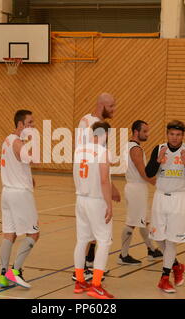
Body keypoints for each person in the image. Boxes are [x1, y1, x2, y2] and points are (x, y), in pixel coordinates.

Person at [145, 120, 185, 293]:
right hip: (160, 198)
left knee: (170, 241)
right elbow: (148, 173)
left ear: (182, 136)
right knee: (158, 237)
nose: (174, 138)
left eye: (178, 135)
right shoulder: (159, 148)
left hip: (179, 199)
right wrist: (157, 160)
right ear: (167, 134)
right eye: (171, 134)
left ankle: (164, 278)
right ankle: (176, 265)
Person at [72, 92, 120, 282]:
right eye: (112, 106)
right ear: (102, 105)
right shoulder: (87, 122)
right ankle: (85, 272)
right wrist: (109, 188)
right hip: (93, 191)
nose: (114, 109)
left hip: (85, 191)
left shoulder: (94, 129)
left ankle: (87, 267)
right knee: (101, 237)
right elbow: (96, 167)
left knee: (86, 236)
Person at [0, 110, 40, 289]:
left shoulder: (6, 140)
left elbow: (17, 164)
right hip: (20, 194)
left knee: (9, 234)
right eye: (29, 123)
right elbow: (34, 160)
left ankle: (2, 276)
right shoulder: (19, 144)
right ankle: (15, 272)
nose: (32, 126)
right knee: (34, 233)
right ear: (20, 125)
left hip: (7, 192)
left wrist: (28, 177)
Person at [73, 121, 115, 299]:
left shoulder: (79, 150)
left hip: (80, 199)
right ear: (105, 134)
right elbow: (104, 180)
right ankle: (96, 285)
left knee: (82, 240)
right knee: (104, 241)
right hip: (96, 201)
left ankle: (80, 280)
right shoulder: (103, 152)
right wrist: (109, 204)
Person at [118, 120, 163, 266]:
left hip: (137, 187)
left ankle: (151, 250)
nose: (147, 134)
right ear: (136, 132)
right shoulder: (135, 149)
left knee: (144, 220)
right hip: (136, 187)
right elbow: (143, 173)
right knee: (132, 222)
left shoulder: (130, 146)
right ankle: (123, 255)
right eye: (144, 131)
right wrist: (161, 184)